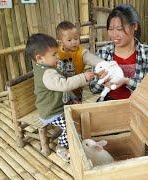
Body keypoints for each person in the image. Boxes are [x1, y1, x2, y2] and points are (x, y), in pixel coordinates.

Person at [25, 33, 95, 161]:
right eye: (54, 54)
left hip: (59, 106)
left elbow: (62, 84)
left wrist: (73, 98)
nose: (58, 57)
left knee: (79, 113)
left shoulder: (46, 66)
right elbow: (64, 84)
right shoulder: (47, 74)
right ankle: (61, 148)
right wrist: (83, 77)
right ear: (39, 58)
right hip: (52, 112)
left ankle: (80, 138)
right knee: (70, 126)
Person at [89, 4, 148, 101]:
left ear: (134, 26)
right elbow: (93, 89)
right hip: (108, 104)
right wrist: (101, 82)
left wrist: (127, 81)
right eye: (111, 29)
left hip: (138, 106)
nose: (114, 35)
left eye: (119, 29)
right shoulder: (103, 52)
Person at [56, 21, 103, 103]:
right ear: (60, 42)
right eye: (69, 40)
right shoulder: (56, 54)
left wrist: (104, 64)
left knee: (76, 108)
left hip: (77, 90)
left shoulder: (81, 52)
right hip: (60, 92)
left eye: (76, 38)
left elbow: (92, 59)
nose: (74, 42)